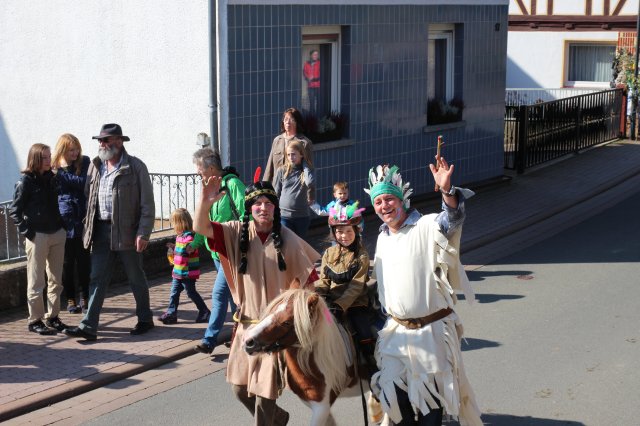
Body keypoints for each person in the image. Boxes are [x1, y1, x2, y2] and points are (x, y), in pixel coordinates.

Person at [193, 176, 320, 426]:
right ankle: (280, 418)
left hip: (273, 331)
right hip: (246, 327)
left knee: (264, 396)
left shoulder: (289, 239)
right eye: (258, 203)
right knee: (239, 389)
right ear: (250, 208)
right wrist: (205, 202)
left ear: (275, 207)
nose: (263, 208)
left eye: (268, 203)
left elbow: (310, 284)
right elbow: (201, 227)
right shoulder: (235, 232)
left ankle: (271, 419)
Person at [365, 161, 482, 426]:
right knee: (396, 403)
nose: (384, 206)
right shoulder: (382, 238)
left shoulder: (426, 225)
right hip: (396, 335)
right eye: (378, 202)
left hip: (431, 334)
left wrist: (447, 191)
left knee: (431, 411)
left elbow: (453, 219)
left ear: (402, 200)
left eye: (389, 199)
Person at [65, 123, 155, 341]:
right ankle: (88, 326)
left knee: (135, 277)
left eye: (106, 140)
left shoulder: (136, 167)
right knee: (96, 278)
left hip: (128, 232)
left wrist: (143, 233)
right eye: (100, 140)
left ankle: (145, 319)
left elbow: (147, 205)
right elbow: (89, 197)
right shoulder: (96, 166)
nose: (101, 144)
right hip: (101, 231)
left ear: (119, 141)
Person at [9, 143, 68, 335]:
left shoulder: (53, 178)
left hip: (57, 232)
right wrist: (28, 232)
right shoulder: (25, 181)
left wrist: (63, 226)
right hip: (38, 236)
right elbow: (14, 210)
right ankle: (35, 320)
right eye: (44, 157)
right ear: (35, 159)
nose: (49, 160)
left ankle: (53, 317)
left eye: (49, 156)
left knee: (56, 280)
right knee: (36, 281)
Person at [314, 201, 377, 378]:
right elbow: (324, 279)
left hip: (355, 303)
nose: (344, 236)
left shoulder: (362, 256)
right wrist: (319, 294)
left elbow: (356, 286)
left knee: (363, 330)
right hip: (331, 303)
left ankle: (370, 361)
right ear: (334, 233)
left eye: (349, 231)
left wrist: (341, 305)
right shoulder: (328, 254)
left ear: (357, 231)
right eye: (340, 231)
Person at [191, 148, 245, 354]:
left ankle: (209, 339)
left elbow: (246, 214)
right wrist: (195, 243)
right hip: (216, 253)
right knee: (233, 297)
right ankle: (239, 335)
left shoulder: (233, 185)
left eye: (200, 170)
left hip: (230, 250)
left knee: (219, 293)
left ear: (212, 169)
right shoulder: (209, 188)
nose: (198, 174)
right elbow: (204, 220)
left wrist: (239, 239)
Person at [52, 133, 91, 314]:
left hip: (81, 218)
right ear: (63, 150)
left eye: (77, 149)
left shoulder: (84, 162)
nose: (75, 153)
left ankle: (85, 296)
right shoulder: (54, 165)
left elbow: (82, 183)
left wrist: (61, 172)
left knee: (83, 261)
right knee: (67, 263)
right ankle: (70, 298)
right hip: (64, 221)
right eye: (71, 150)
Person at [159, 208, 210, 324]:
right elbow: (181, 250)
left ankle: (204, 311)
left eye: (174, 223)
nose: (173, 226)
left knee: (191, 293)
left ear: (180, 223)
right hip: (178, 272)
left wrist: (177, 249)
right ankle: (171, 313)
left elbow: (187, 251)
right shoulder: (180, 237)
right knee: (174, 293)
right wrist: (174, 247)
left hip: (187, 273)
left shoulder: (190, 238)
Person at [273, 140, 315, 238]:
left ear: (301, 154)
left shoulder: (307, 170)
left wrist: (305, 164)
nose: (291, 157)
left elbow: (310, 182)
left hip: (302, 216)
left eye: (294, 154)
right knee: (287, 242)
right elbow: (276, 192)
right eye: (288, 155)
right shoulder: (282, 170)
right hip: (284, 216)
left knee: (300, 243)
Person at [263, 107, 313, 188]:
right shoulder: (277, 140)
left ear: (297, 122)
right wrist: (264, 187)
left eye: (291, 119)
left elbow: (308, 170)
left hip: (294, 189)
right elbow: (270, 167)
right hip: (276, 187)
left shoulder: (304, 143)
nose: (288, 122)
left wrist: (309, 192)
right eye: (285, 119)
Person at [303, 50, 320, 115]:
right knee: (312, 102)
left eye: (317, 54)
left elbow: (322, 73)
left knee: (319, 102)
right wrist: (308, 78)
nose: (316, 56)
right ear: (311, 55)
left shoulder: (319, 63)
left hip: (318, 86)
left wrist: (314, 78)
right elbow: (304, 73)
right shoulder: (306, 64)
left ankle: (319, 116)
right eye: (314, 54)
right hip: (310, 86)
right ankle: (312, 117)